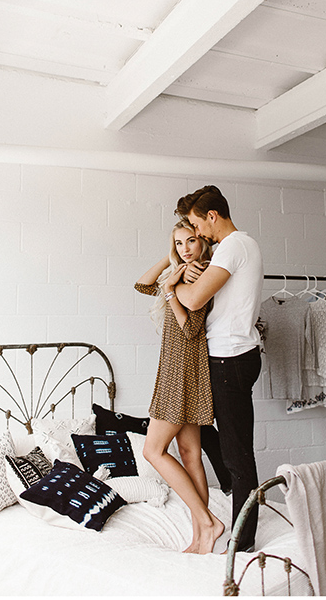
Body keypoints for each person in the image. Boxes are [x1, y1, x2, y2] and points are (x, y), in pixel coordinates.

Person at [172, 185, 264, 553]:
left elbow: (195, 299)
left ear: (212, 216)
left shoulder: (233, 246)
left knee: (237, 454)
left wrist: (171, 287)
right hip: (228, 357)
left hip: (230, 358)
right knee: (203, 431)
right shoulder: (241, 246)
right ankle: (232, 490)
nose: (196, 232)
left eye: (197, 225)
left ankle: (243, 542)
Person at [136, 219, 224, 554]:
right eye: (178, 243)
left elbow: (189, 329)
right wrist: (172, 262)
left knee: (153, 450)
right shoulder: (182, 271)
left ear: (203, 242)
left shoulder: (201, 275)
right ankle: (202, 536)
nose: (186, 248)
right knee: (189, 454)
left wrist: (172, 290)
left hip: (182, 370)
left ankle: (206, 521)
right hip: (180, 367)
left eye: (191, 241)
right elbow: (142, 284)